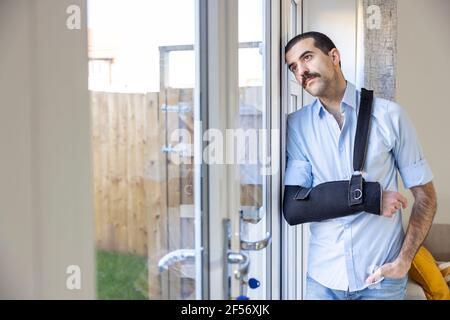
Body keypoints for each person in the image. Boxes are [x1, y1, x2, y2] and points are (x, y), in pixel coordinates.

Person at [284, 31, 437, 300]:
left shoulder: (390, 116)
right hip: (322, 280)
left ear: (334, 56)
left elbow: (426, 197)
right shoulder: (297, 125)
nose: (301, 71)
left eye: (307, 57)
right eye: (294, 67)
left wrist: (403, 262)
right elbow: (294, 207)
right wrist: (369, 197)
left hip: (382, 282)